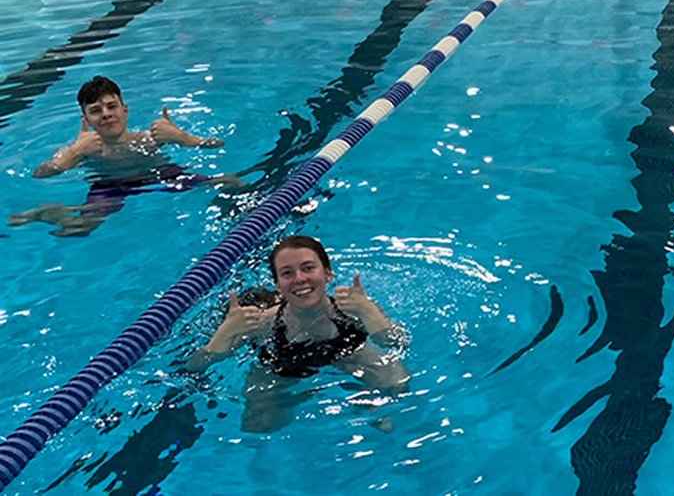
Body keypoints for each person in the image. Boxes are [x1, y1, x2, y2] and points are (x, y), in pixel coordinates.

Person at [187, 235, 412, 433]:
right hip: (280, 369)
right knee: (259, 424)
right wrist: (224, 334)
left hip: (348, 356)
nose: (299, 279)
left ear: (327, 274)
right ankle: (309, 396)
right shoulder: (263, 323)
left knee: (397, 382)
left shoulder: (353, 311)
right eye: (287, 273)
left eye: (308, 268)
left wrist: (369, 311)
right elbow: (194, 366)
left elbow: (397, 342)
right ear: (278, 284)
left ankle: (359, 399)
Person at [7, 75, 242, 237]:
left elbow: (216, 144)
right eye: (96, 111)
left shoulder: (149, 139)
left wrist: (183, 138)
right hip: (110, 185)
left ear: (125, 110)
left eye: (112, 106)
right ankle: (49, 213)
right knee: (79, 228)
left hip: (157, 174)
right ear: (86, 121)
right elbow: (40, 174)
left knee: (231, 182)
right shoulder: (80, 149)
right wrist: (74, 153)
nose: (106, 114)